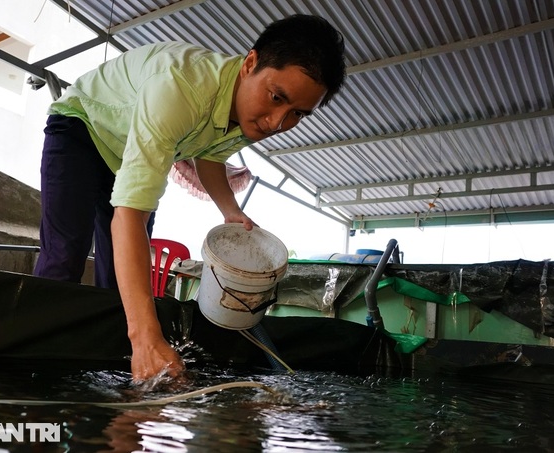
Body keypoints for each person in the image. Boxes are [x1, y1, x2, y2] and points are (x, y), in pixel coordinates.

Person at [33, 14, 346, 382]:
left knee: (118, 287)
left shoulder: (248, 113)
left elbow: (210, 155)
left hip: (128, 156)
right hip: (84, 128)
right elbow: (129, 216)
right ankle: (37, 367)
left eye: (297, 114)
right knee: (66, 251)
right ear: (250, 64)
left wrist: (230, 210)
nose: (277, 123)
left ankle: (112, 372)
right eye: (277, 97)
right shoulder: (181, 88)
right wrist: (146, 335)